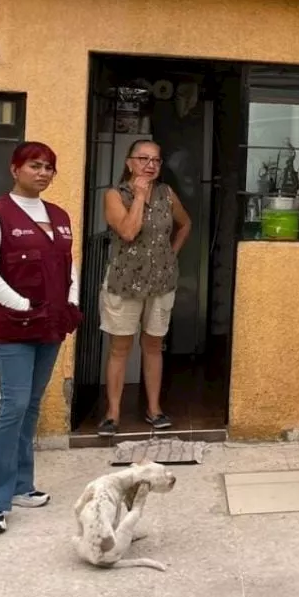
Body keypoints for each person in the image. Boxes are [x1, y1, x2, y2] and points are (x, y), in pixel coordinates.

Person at [0, 141, 82, 536]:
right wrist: (20, 305)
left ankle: (21, 485)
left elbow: (69, 265)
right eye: (35, 165)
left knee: (31, 404)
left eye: (49, 167)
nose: (43, 173)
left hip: (50, 326)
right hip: (12, 328)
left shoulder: (59, 215)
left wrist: (70, 301)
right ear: (15, 169)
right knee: (13, 405)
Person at [98, 139, 191, 437]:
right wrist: (138, 196)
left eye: (156, 160)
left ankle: (154, 409)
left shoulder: (167, 193)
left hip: (161, 283)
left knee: (153, 346)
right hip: (124, 283)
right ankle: (112, 414)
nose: (150, 165)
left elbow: (185, 224)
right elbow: (127, 231)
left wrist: (170, 256)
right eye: (143, 159)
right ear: (129, 163)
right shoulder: (115, 195)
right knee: (120, 348)